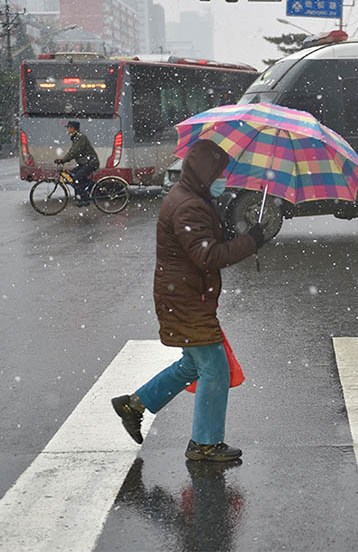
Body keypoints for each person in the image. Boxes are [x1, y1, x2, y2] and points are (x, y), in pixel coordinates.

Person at [111, 139, 266, 462]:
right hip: (185, 299)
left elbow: (204, 241)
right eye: (219, 174)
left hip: (182, 294)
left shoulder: (190, 197)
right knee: (214, 370)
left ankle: (134, 404)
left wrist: (233, 226)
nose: (223, 179)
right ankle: (205, 444)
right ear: (205, 173)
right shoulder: (189, 205)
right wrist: (252, 241)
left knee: (192, 365)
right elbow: (206, 255)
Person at [54, 121, 98, 206]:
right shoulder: (76, 137)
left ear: (73, 128)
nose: (67, 129)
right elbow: (72, 151)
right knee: (73, 175)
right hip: (85, 162)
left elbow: (74, 152)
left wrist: (63, 160)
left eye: (69, 127)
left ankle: (83, 199)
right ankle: (87, 189)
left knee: (77, 178)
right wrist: (63, 159)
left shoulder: (80, 137)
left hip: (91, 162)